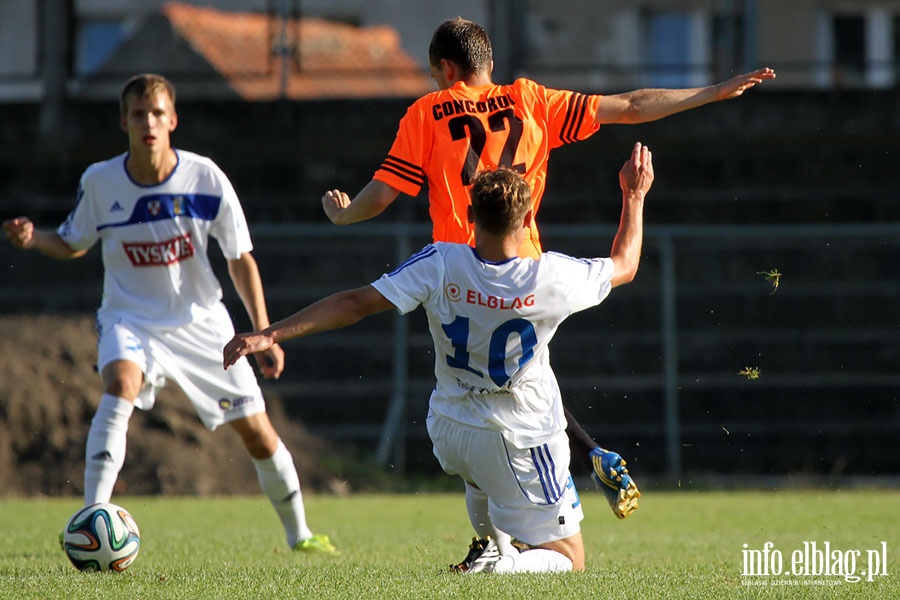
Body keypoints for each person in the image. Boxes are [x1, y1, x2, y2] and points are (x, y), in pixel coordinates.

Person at [320, 17, 768, 534]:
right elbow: (632, 106)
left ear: (445, 69)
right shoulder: (532, 100)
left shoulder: (426, 112)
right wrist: (712, 91)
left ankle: (517, 525)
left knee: (475, 402)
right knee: (517, 392)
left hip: (458, 272)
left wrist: (343, 213)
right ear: (488, 64)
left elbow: (382, 195)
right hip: (526, 273)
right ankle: (583, 466)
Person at [229, 141, 654, 573]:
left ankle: (490, 546)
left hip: (449, 427)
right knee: (569, 559)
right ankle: (496, 566)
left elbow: (355, 303)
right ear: (528, 221)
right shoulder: (550, 276)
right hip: (517, 434)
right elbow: (625, 263)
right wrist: (633, 196)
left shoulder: (441, 262)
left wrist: (270, 333)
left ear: (470, 218)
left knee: (481, 477)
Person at [2, 73, 337, 555]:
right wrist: (34, 238)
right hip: (129, 317)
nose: (148, 122)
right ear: (124, 122)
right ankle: (91, 519)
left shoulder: (206, 178)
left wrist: (265, 333)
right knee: (120, 384)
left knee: (258, 433)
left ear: (173, 120)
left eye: (157, 112)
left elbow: (240, 258)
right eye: (138, 114)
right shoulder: (99, 181)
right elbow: (73, 243)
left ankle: (300, 534)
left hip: (202, 323)